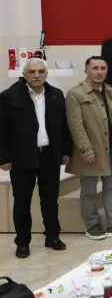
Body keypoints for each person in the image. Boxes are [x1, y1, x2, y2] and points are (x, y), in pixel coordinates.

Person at [0, 59, 71, 258]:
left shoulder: (56, 95)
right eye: (32, 71)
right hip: (21, 157)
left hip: (49, 155)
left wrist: (66, 150)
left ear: (46, 74)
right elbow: (2, 129)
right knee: (22, 202)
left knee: (50, 200)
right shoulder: (8, 97)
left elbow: (64, 125)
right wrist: (3, 157)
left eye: (40, 71)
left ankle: (52, 236)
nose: (37, 75)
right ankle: (23, 242)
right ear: (24, 74)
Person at [65, 56, 112, 240]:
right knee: (89, 190)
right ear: (86, 71)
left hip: (111, 148)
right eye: (95, 68)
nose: (99, 72)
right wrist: (86, 150)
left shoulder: (111, 91)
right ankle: (92, 224)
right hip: (91, 150)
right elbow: (76, 125)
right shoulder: (76, 94)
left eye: (103, 68)